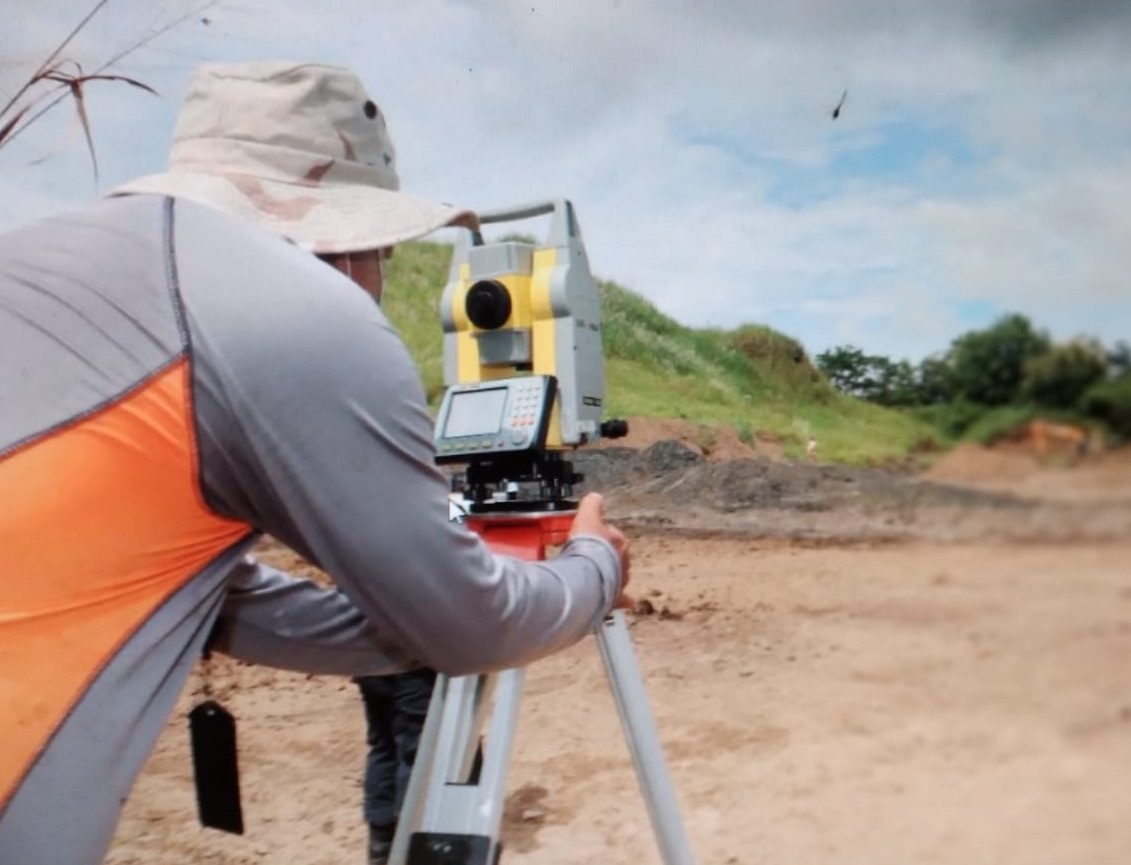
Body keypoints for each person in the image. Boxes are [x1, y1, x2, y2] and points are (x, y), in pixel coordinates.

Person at [0, 61, 629, 865]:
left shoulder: (46, 264)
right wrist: (593, 568)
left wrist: (414, 623)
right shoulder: (300, 313)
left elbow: (221, 598)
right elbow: (473, 625)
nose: (378, 283)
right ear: (347, 239)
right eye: (384, 255)